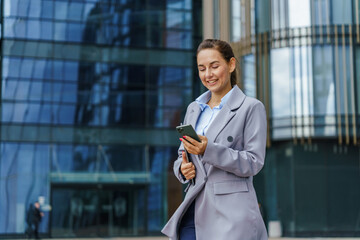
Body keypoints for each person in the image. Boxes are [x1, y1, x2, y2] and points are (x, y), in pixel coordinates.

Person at [161, 39, 268, 240]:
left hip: (231, 214)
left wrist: (208, 150)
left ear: (231, 64)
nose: (208, 74)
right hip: (194, 207)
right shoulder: (194, 108)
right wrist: (182, 169)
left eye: (214, 66)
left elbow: (254, 162)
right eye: (202, 69)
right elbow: (181, 155)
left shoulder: (251, 108)